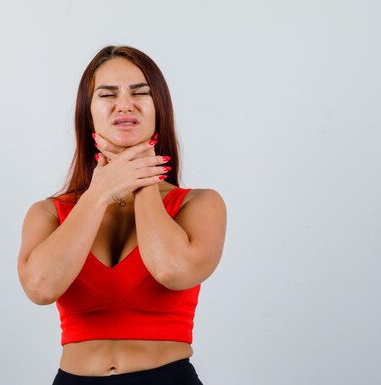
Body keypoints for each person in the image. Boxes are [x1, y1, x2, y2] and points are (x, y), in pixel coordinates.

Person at [17, 45, 227, 384]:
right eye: (107, 94)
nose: (124, 104)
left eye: (140, 92)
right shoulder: (48, 213)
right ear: (88, 113)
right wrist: (99, 193)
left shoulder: (199, 205)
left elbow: (172, 269)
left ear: (159, 108)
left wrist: (140, 176)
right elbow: (41, 288)